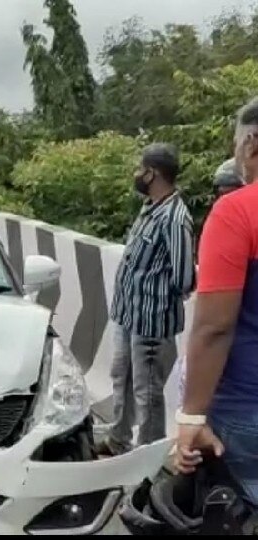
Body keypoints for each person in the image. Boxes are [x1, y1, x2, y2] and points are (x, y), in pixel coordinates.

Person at [175, 98, 258, 507]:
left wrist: (191, 416)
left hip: (247, 409)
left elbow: (214, 327)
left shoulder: (237, 212)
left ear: (252, 144)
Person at [97, 143, 196, 457]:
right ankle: (117, 440)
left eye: (142, 169)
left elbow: (184, 278)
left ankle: (147, 461)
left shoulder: (175, 218)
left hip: (151, 324)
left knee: (148, 394)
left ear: (153, 173)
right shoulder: (151, 208)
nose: (137, 174)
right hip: (129, 318)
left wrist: (155, 297)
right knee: (122, 378)